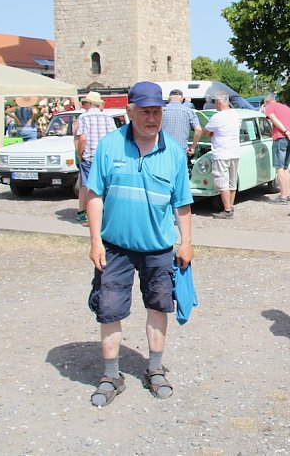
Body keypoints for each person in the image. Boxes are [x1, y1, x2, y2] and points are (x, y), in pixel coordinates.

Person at [85, 81, 194, 407]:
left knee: (159, 306)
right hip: (115, 246)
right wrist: (94, 241)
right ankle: (111, 375)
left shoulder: (173, 151)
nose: (151, 118)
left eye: (156, 111)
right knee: (109, 310)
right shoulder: (109, 146)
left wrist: (186, 243)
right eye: (144, 111)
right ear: (129, 112)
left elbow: (182, 203)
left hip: (159, 248)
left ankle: (155, 369)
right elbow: (94, 195)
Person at [75, 91, 117, 226]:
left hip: (90, 155)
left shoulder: (84, 118)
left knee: (90, 186)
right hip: (105, 156)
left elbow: (82, 138)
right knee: (105, 186)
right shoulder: (108, 118)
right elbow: (114, 137)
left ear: (89, 104)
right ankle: (105, 214)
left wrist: (79, 153)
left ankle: (90, 216)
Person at [202, 91, 240, 219]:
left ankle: (227, 210)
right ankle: (231, 206)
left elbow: (206, 132)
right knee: (232, 182)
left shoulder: (217, 117)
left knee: (222, 182)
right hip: (234, 152)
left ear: (218, 102)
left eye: (215, 102)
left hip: (221, 152)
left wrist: (213, 133)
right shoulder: (235, 114)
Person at [263, 94, 290, 204]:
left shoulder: (269, 106)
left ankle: (283, 196)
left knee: (279, 167)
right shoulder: (286, 107)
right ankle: (287, 194)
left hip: (280, 138)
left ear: (266, 102)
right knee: (286, 167)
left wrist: (285, 131)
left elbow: (273, 119)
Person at [161, 88, 201, 158]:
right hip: (181, 150)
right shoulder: (188, 111)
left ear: (169, 98)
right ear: (182, 98)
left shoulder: (161, 110)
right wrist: (193, 147)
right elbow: (198, 129)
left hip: (164, 149)